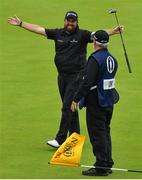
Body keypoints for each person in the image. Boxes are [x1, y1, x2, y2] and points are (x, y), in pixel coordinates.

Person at [8, 11, 122, 148]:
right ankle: (75, 137)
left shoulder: (83, 35)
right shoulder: (58, 33)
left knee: (67, 107)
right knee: (71, 108)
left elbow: (99, 34)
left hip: (77, 76)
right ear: (64, 21)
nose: (70, 23)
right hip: (62, 76)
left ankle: (60, 139)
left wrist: (114, 32)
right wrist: (21, 24)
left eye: (73, 21)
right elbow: (39, 29)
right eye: (68, 20)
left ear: (77, 22)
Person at [71, 30, 119, 176]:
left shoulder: (95, 59)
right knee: (105, 132)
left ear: (94, 42)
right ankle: (107, 163)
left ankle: (101, 166)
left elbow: (87, 83)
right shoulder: (112, 58)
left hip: (96, 102)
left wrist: (76, 98)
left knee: (97, 134)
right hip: (108, 100)